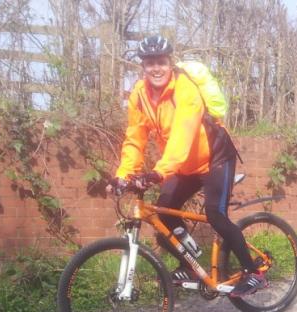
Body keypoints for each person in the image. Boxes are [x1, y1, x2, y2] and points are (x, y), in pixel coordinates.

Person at [110, 35, 266, 297]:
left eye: (161, 61)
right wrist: (123, 175)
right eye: (150, 63)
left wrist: (159, 171)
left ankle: (254, 273)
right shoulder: (139, 95)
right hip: (183, 165)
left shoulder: (186, 90)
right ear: (143, 67)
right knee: (163, 214)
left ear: (170, 62)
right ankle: (191, 265)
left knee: (216, 215)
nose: (156, 68)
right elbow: (134, 137)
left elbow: (183, 135)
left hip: (214, 158)